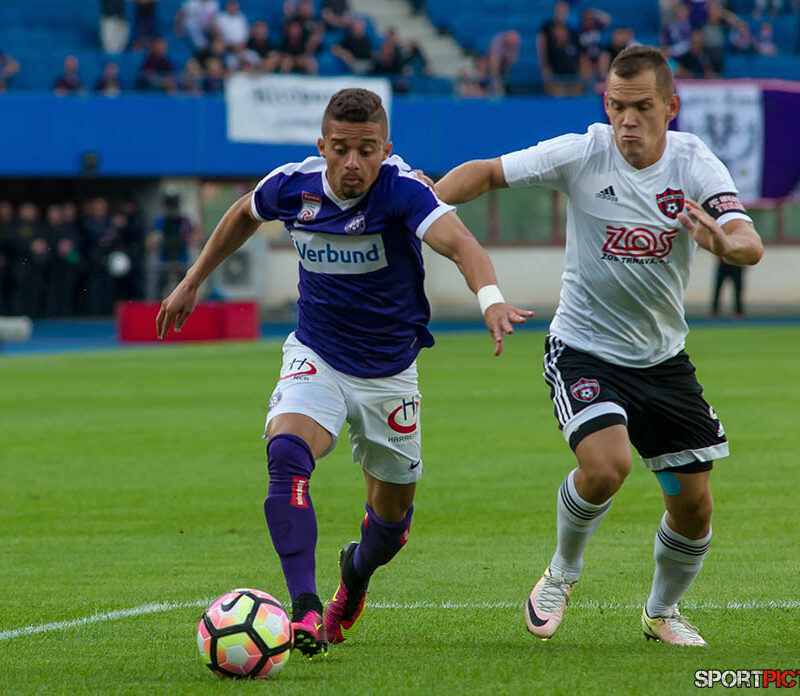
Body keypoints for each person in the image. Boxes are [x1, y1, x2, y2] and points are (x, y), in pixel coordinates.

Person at [156, 88, 531, 658]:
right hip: (318, 355)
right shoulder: (293, 185)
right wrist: (192, 279)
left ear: (386, 149)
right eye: (340, 149)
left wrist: (491, 300)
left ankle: (352, 578)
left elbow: (462, 245)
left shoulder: (404, 191)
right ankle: (304, 609)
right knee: (286, 453)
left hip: (389, 377)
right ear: (321, 147)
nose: (352, 163)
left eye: (366, 150)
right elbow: (241, 214)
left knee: (389, 525)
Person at [433, 46, 763, 646]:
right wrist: (425, 212)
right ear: (605, 104)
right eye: (617, 106)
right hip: (583, 349)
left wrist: (724, 244)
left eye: (642, 107)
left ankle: (661, 613)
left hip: (663, 361)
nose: (627, 120)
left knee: (693, 508)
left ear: (671, 107)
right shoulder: (584, 152)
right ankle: (561, 572)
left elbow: (747, 240)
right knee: (606, 467)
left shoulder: (694, 163)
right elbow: (483, 172)